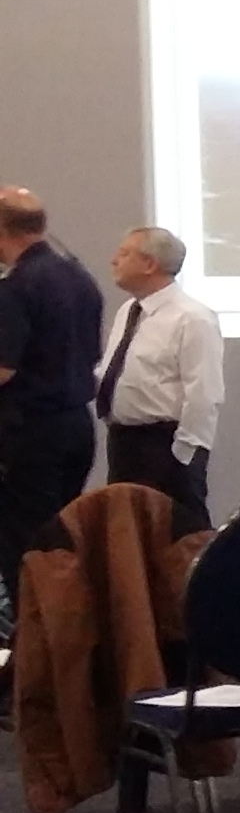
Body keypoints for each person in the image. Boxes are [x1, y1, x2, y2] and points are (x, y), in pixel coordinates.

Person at [0, 187, 108, 591]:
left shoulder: (17, 286)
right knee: (62, 542)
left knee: (26, 545)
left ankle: (34, 646)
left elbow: (4, 369)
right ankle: (66, 640)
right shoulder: (80, 278)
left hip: (29, 432)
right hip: (76, 427)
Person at [95, 226, 224, 536]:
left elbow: (204, 392)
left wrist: (184, 454)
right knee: (129, 534)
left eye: (125, 254)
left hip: (165, 444)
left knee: (179, 536)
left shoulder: (192, 317)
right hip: (124, 440)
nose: (114, 260)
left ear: (150, 264)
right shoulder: (130, 310)